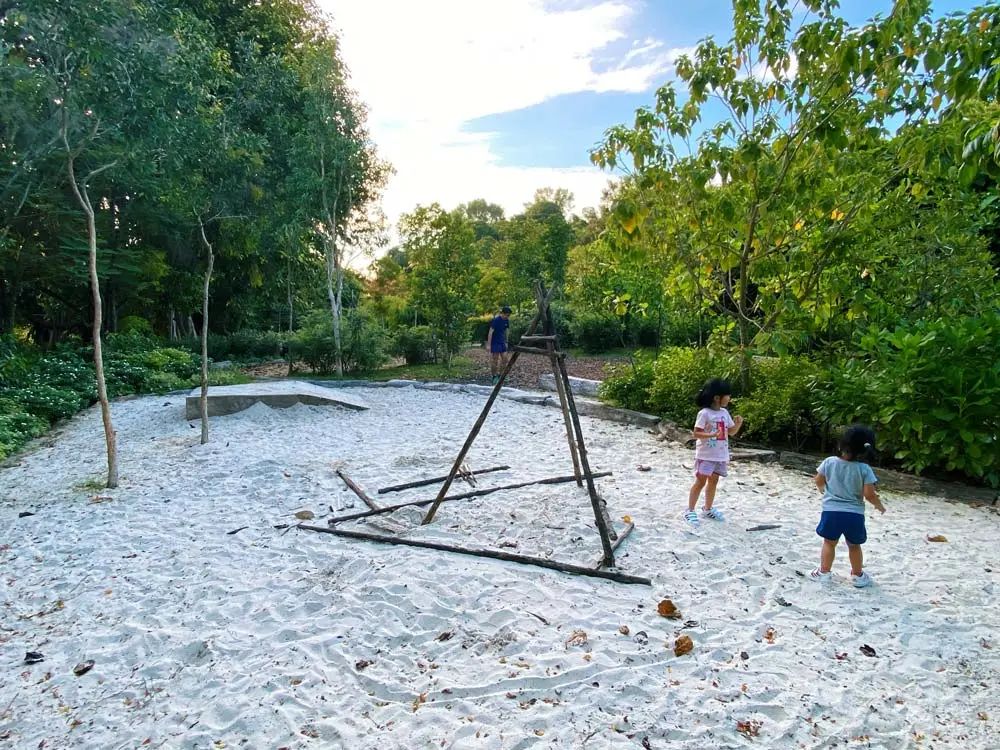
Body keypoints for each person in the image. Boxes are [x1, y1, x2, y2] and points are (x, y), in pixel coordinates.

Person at [810, 424, 885, 587]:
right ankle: (857, 575)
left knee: (829, 543)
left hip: (831, 512)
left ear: (841, 445)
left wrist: (823, 490)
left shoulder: (829, 462)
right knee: (854, 545)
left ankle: (824, 572)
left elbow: (818, 480)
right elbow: (869, 494)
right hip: (854, 514)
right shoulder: (865, 469)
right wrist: (878, 505)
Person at [686, 378, 743, 527]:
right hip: (706, 455)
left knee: (714, 481)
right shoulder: (704, 413)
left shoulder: (724, 412)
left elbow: (730, 432)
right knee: (700, 482)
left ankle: (708, 508)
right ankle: (690, 510)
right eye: (727, 395)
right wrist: (711, 435)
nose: (729, 398)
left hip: (720, 455)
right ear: (717, 397)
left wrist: (737, 425)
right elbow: (696, 433)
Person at [486, 305, 512, 385]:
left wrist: (506, 342)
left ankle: (501, 375)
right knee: (495, 360)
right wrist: (489, 345)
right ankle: (494, 376)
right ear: (503, 313)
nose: (507, 317)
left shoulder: (506, 320)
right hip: (495, 342)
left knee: (505, 359)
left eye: (509, 316)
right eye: (507, 315)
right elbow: (490, 332)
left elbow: (506, 331)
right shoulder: (496, 320)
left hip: (502, 342)